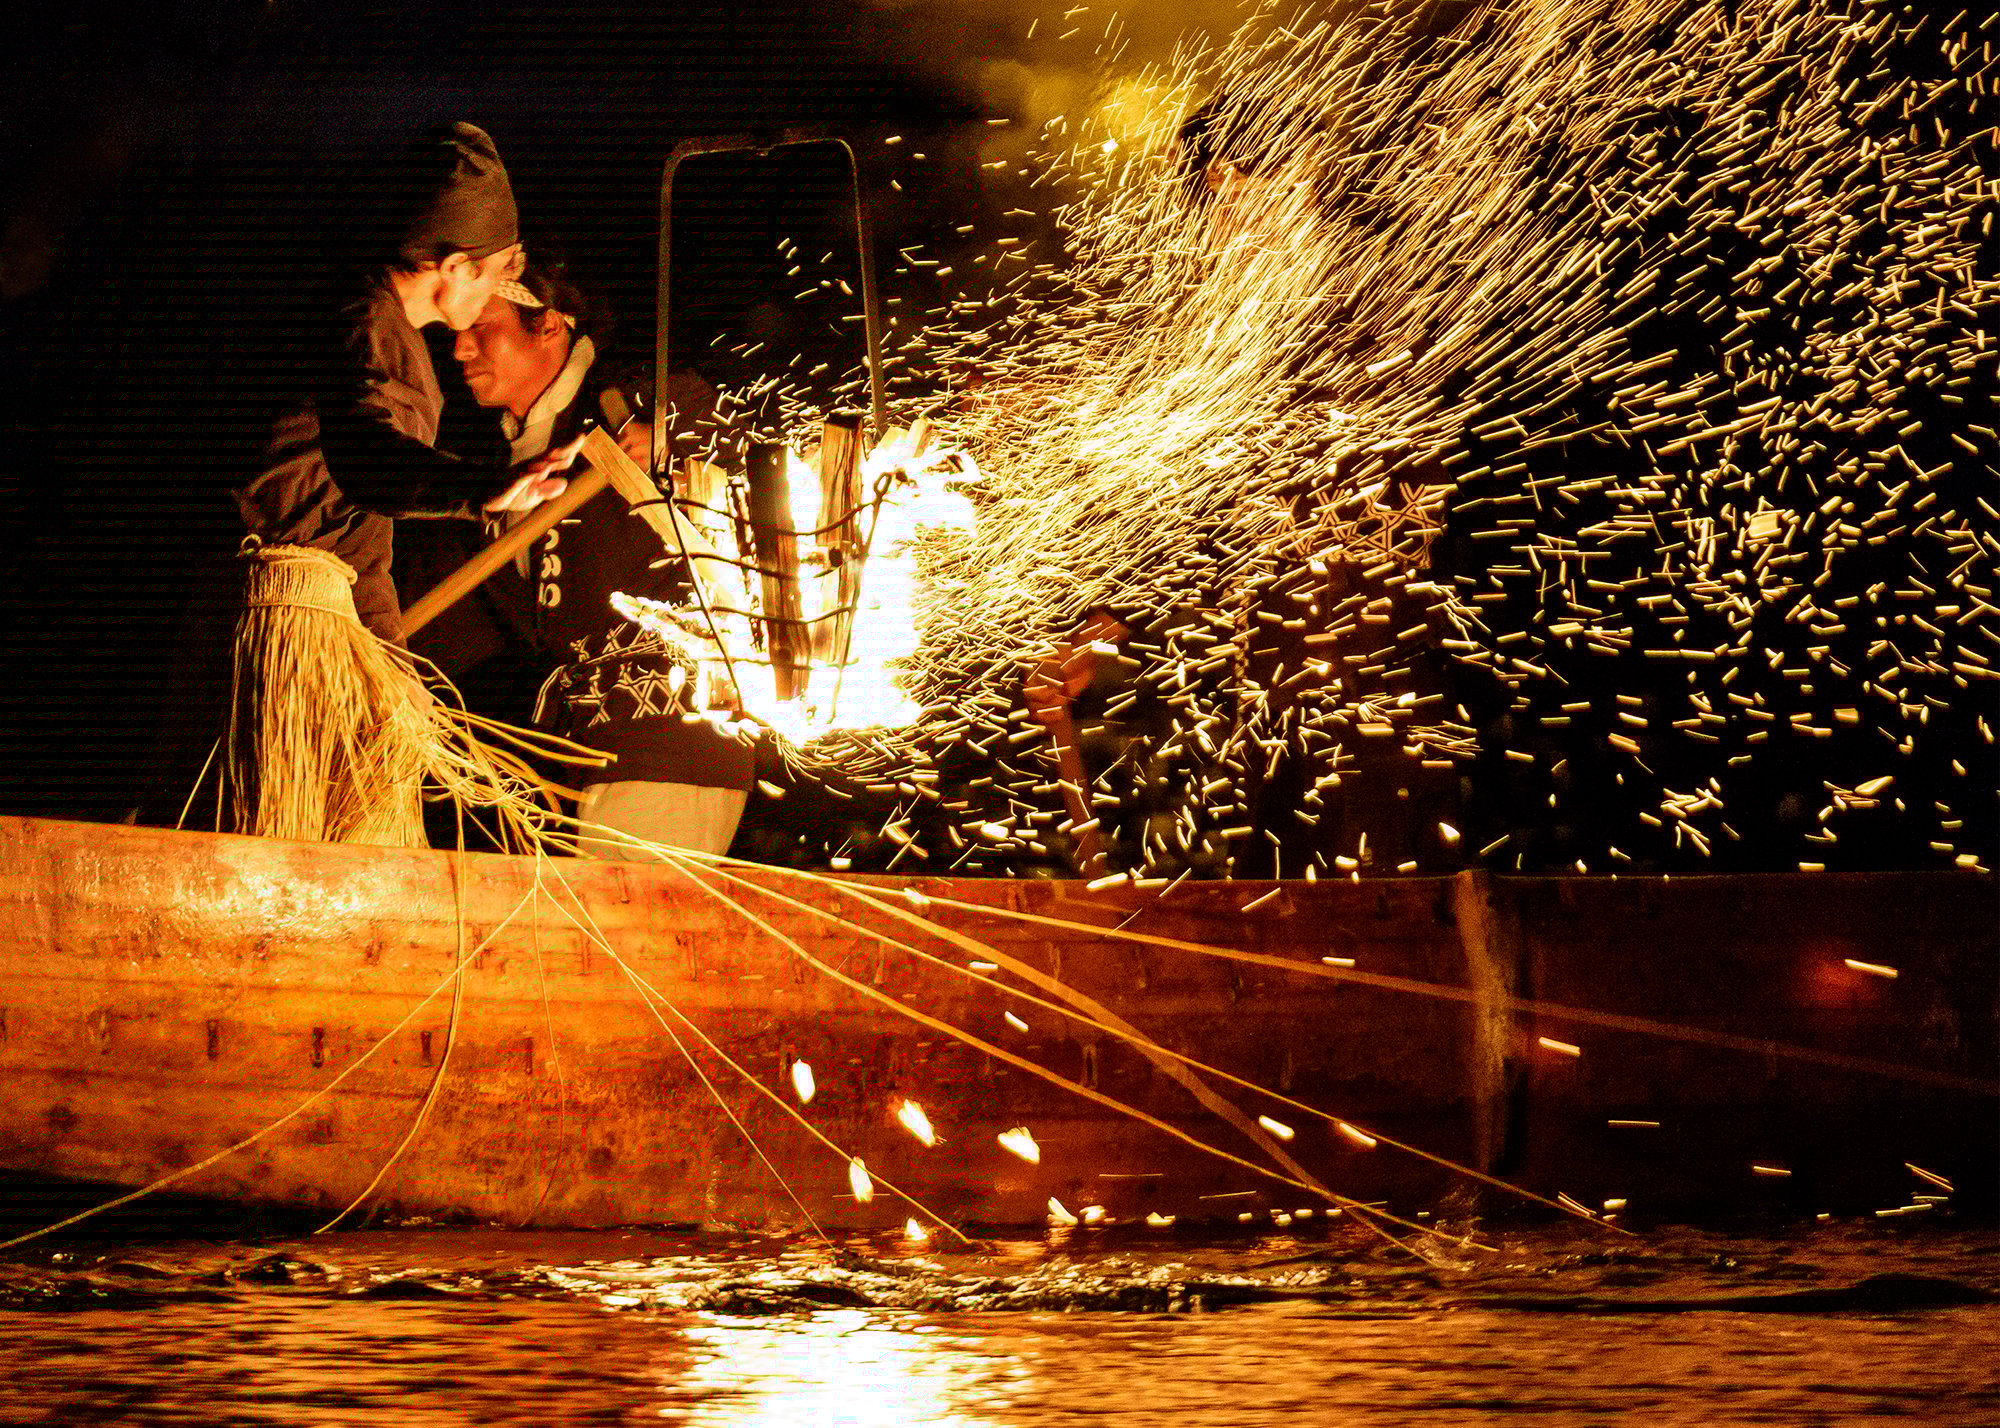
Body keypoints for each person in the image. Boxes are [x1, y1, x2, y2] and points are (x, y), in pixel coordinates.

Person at [402, 257, 757, 857]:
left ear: (550, 326)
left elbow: (740, 418)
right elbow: (452, 629)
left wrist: (678, 429)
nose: (460, 348)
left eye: (482, 325)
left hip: (669, 742)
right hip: (564, 766)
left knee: (615, 933)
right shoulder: (497, 472)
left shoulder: (629, 404)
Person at [234, 121, 579, 646]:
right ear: (456, 266)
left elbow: (362, 516)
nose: (488, 296)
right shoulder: (366, 324)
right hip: (296, 618)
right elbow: (365, 455)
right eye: (490, 276)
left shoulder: (391, 330)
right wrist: (481, 488)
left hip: (343, 614)